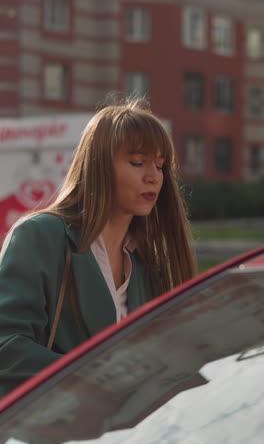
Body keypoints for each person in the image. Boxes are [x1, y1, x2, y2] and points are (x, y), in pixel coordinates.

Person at [0, 99, 196, 398]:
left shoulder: (147, 260)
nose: (154, 176)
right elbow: (7, 345)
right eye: (137, 162)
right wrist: (96, 381)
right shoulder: (40, 236)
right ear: (98, 165)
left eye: (159, 165)